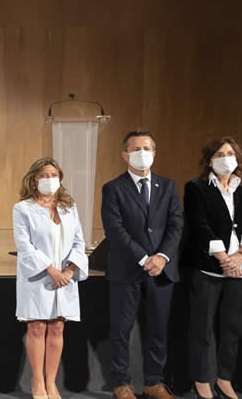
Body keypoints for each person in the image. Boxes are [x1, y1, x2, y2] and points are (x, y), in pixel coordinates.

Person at [100, 130, 183, 399]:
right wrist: (144, 258)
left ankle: (153, 382)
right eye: (136, 149)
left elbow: (176, 224)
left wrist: (162, 257)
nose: (142, 153)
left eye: (147, 148)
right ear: (125, 155)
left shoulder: (168, 186)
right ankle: (121, 383)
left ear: (154, 153)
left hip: (162, 270)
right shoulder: (113, 188)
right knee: (121, 330)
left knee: (157, 329)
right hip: (126, 269)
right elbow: (115, 229)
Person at [182, 137, 242, 399]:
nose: (226, 158)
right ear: (209, 160)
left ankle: (225, 379)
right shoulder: (196, 188)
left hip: (241, 269)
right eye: (219, 154)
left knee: (232, 330)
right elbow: (199, 225)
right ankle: (201, 380)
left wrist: (241, 255)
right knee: (201, 329)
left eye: (230, 153)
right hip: (208, 268)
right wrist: (224, 258)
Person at [12, 157, 89, 399]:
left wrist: (68, 271)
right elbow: (24, 246)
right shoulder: (23, 208)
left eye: (53, 175)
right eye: (44, 175)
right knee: (37, 327)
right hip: (38, 277)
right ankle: (37, 382)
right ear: (34, 179)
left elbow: (79, 242)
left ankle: (51, 382)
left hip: (65, 278)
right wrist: (51, 270)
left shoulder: (69, 207)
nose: (49, 179)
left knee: (57, 327)